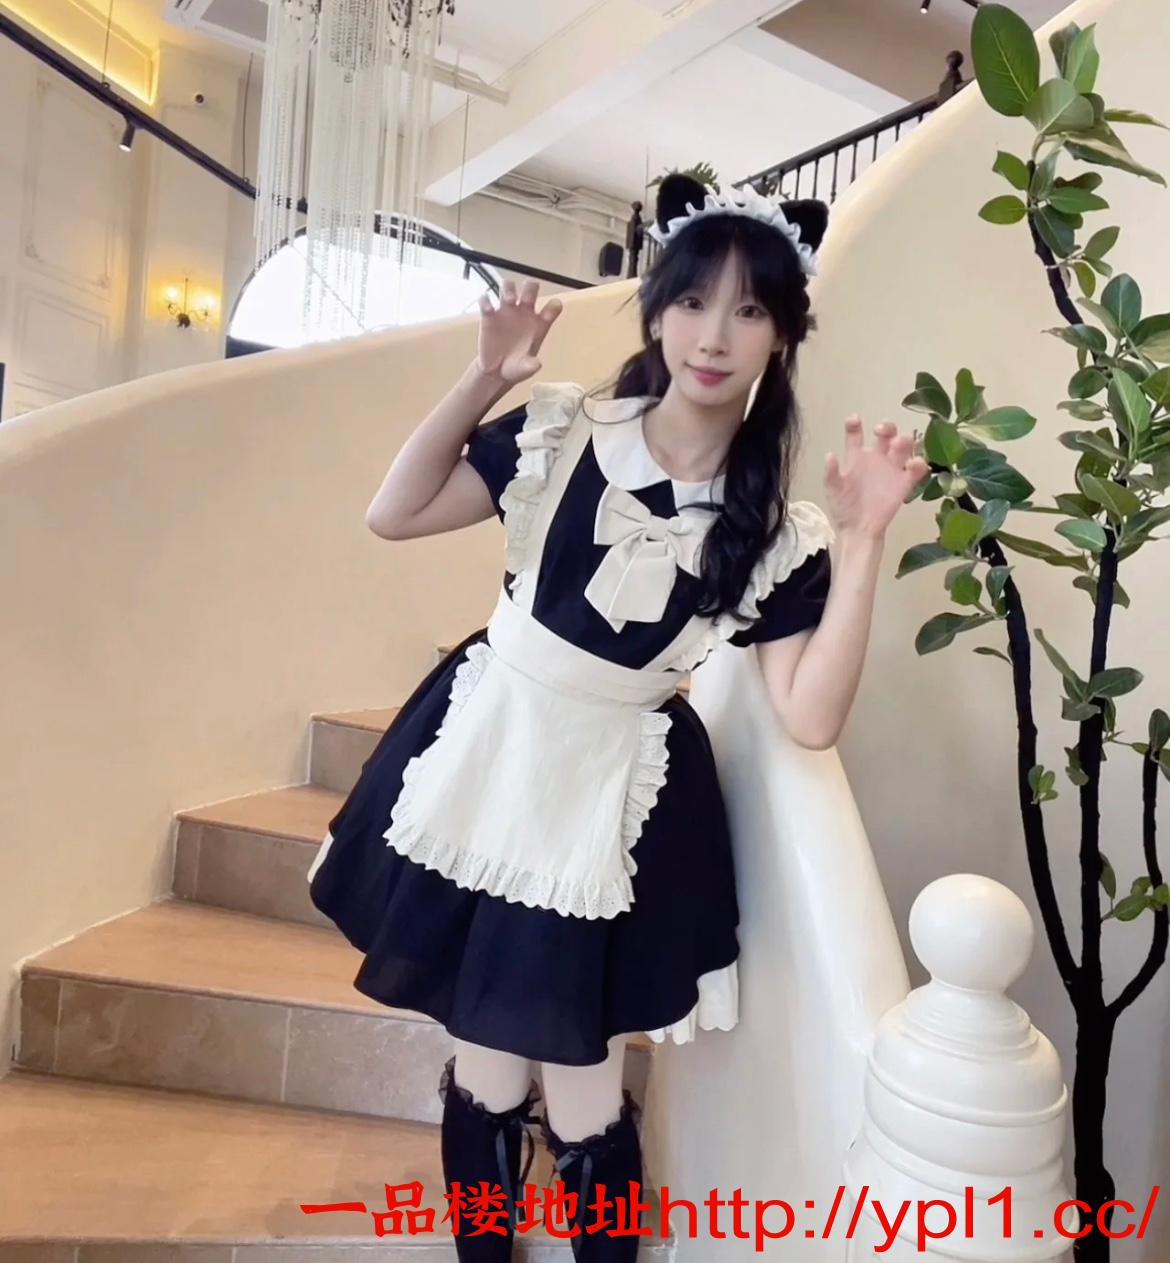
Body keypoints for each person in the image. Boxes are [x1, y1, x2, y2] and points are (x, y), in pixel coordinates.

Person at [307, 173, 929, 1260]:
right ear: (655, 310)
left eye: (749, 310)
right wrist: (483, 376)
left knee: (583, 1077)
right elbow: (393, 512)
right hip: (494, 743)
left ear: (783, 334)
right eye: (692, 300)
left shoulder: (772, 528)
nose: (714, 335)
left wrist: (866, 539)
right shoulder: (561, 433)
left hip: (610, 787)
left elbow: (811, 716)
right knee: (487, 1062)